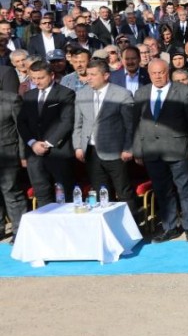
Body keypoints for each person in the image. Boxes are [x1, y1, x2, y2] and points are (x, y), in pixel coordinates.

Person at [135, 59, 188, 241]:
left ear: (168, 72)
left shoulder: (183, 91)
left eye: (161, 72)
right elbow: (136, 124)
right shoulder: (141, 93)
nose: (158, 76)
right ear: (149, 74)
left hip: (178, 150)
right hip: (152, 151)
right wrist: (137, 150)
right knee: (162, 191)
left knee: (185, 190)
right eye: (154, 73)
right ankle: (170, 227)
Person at [72, 58, 138, 220]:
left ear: (106, 75)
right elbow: (78, 124)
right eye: (88, 74)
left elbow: (130, 125)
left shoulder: (121, 94)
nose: (89, 78)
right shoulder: (81, 94)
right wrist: (78, 146)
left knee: (123, 191)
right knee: (100, 192)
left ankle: (131, 226)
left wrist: (128, 148)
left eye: (93, 75)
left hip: (116, 152)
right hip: (91, 152)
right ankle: (107, 225)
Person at [19, 59, 76, 209]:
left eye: (41, 78)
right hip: (34, 154)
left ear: (51, 75)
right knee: (42, 193)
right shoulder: (29, 96)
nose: (37, 82)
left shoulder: (65, 93)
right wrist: (32, 143)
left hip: (58, 152)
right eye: (33, 78)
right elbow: (22, 123)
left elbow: (67, 121)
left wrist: (48, 143)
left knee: (65, 194)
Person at [0, 82, 24, 237]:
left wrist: (23, 155)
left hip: (8, 154)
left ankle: (20, 232)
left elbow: (22, 130)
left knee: (12, 193)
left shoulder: (12, 99)